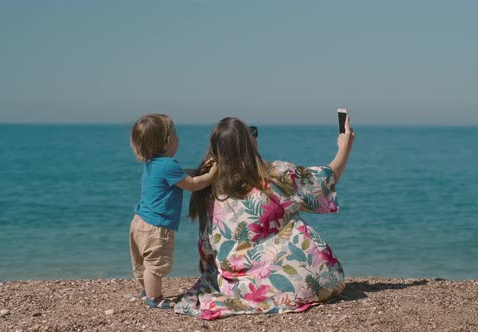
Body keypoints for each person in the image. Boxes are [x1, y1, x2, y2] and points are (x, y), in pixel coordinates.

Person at [175, 116, 354, 319]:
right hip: (310, 280)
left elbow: (207, 246)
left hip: (240, 286)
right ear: (249, 144)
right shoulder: (275, 174)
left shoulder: (206, 186)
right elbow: (326, 179)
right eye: (252, 133)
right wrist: (345, 146)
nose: (255, 137)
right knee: (292, 224)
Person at [129, 114, 217, 309]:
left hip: (139, 221)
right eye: (175, 134)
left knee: (144, 262)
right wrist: (212, 175)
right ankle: (154, 298)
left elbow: (183, 174)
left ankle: (147, 291)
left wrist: (198, 170)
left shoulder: (154, 163)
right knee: (155, 263)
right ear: (166, 141)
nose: (179, 138)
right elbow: (192, 184)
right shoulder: (168, 165)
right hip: (156, 225)